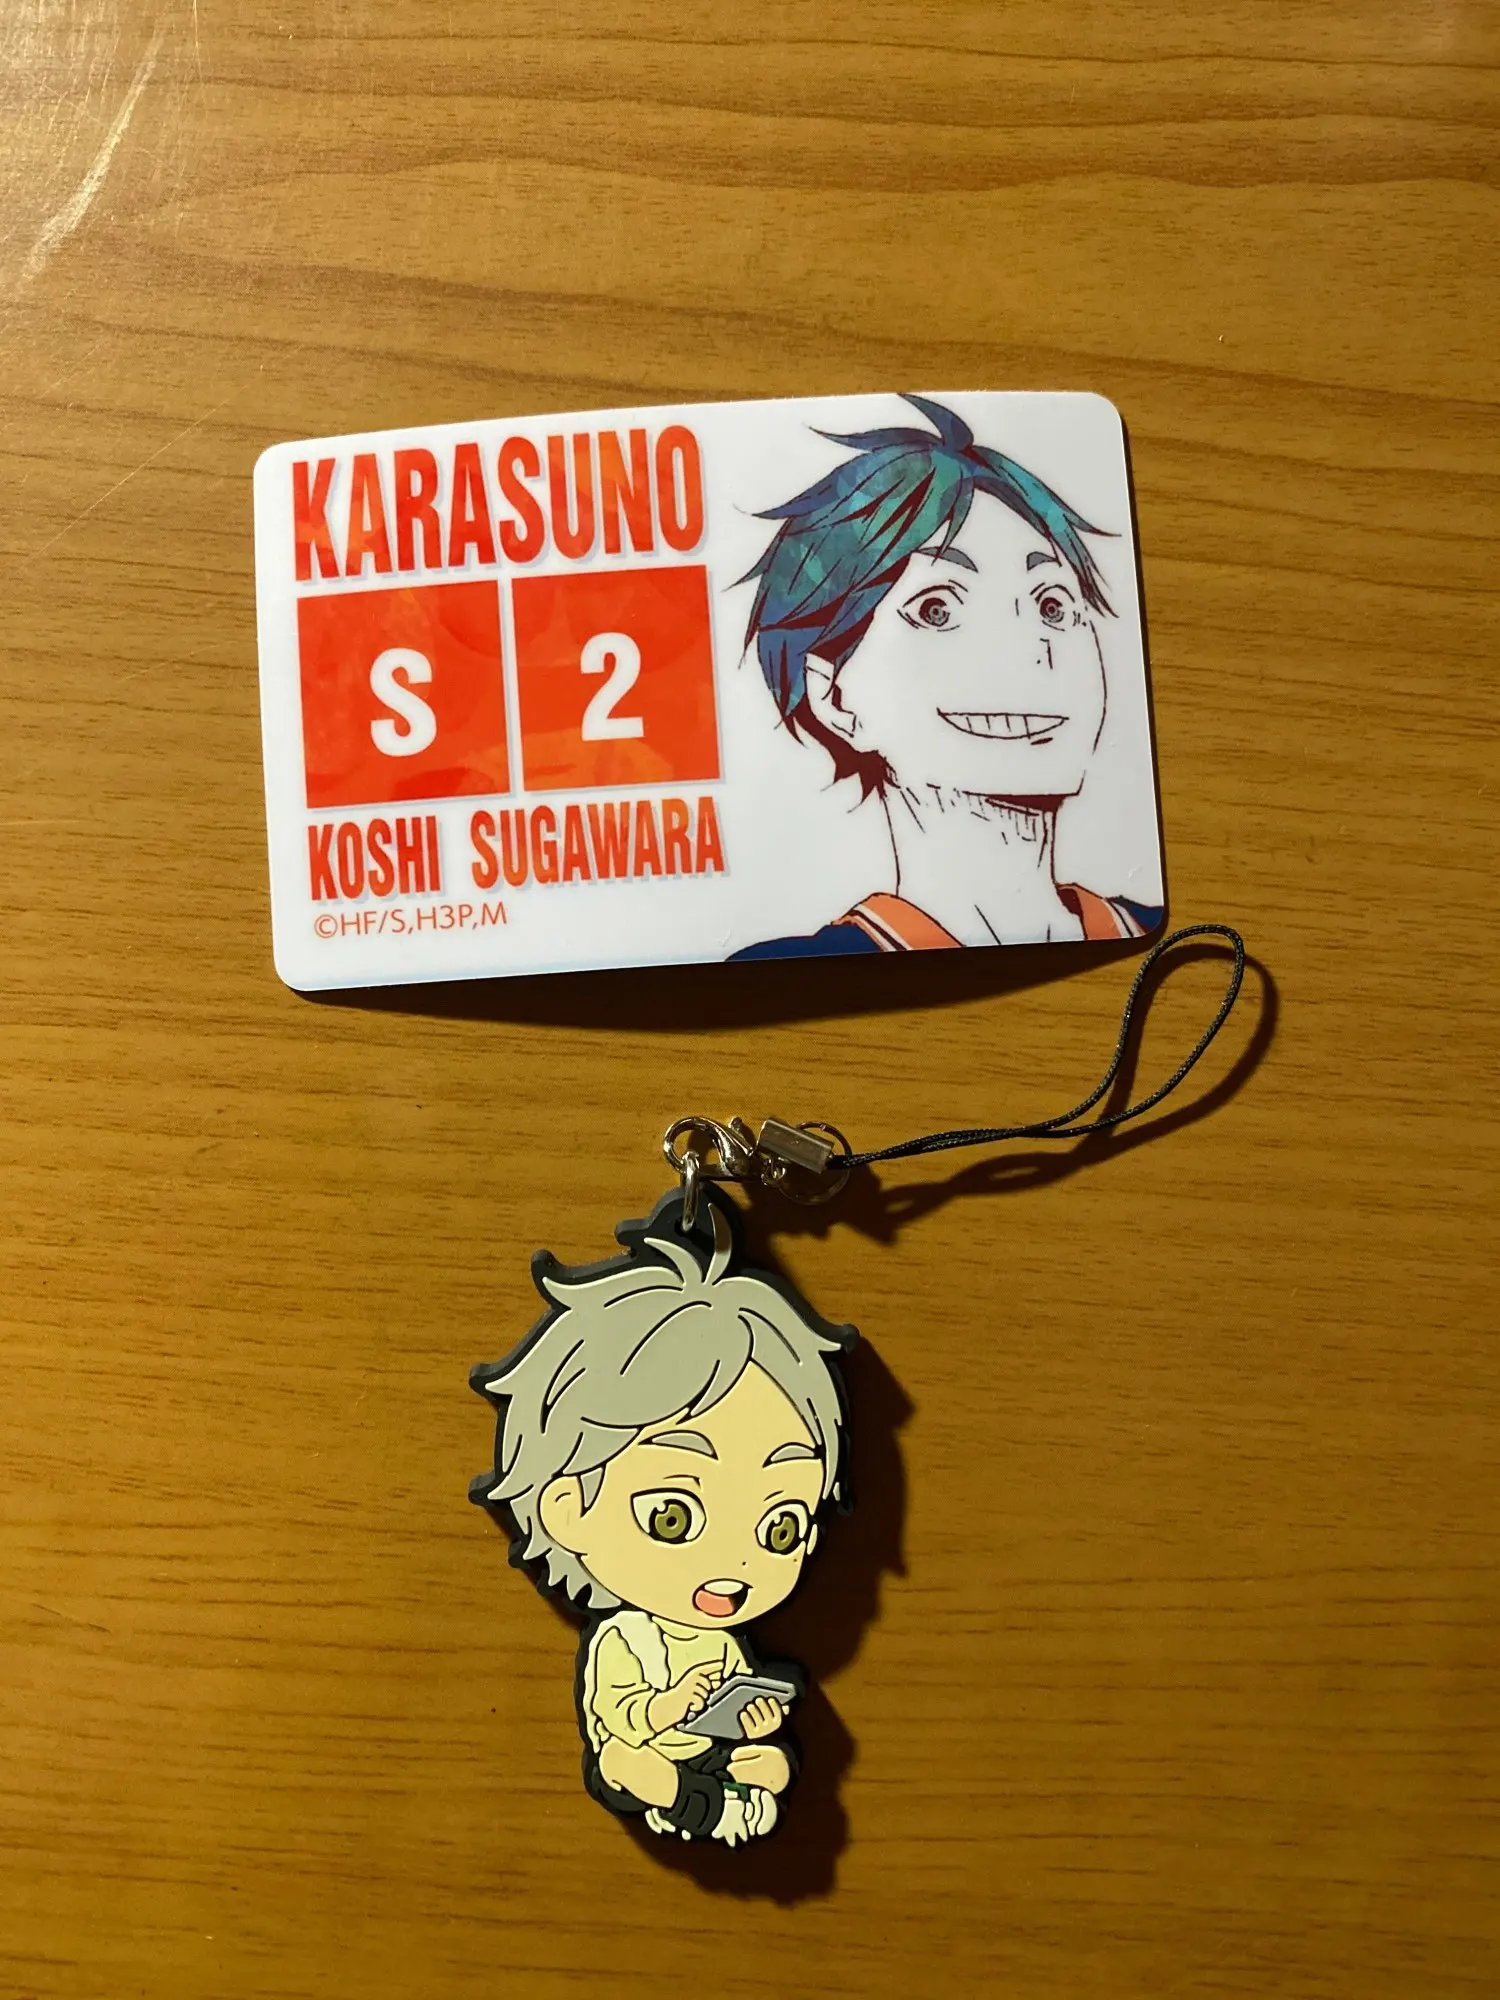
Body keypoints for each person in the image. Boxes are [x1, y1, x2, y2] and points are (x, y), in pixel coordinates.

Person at [471, 1194, 854, 1845]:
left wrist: (753, 1722)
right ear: (568, 1508)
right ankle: (701, 1808)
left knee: (772, 1763)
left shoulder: (722, 1639)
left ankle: (720, 1801)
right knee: (626, 1764)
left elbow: (733, 1721)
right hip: (644, 1755)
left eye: (780, 1527)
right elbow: (621, 1718)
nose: (734, 1564)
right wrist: (672, 1706)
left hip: (704, 1753)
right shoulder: (622, 1637)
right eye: (672, 1516)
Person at [733, 395, 1162, 958]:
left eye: (1053, 606)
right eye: (938, 610)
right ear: (834, 697)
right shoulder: (793, 973)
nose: (1028, 651)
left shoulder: (1145, 934)